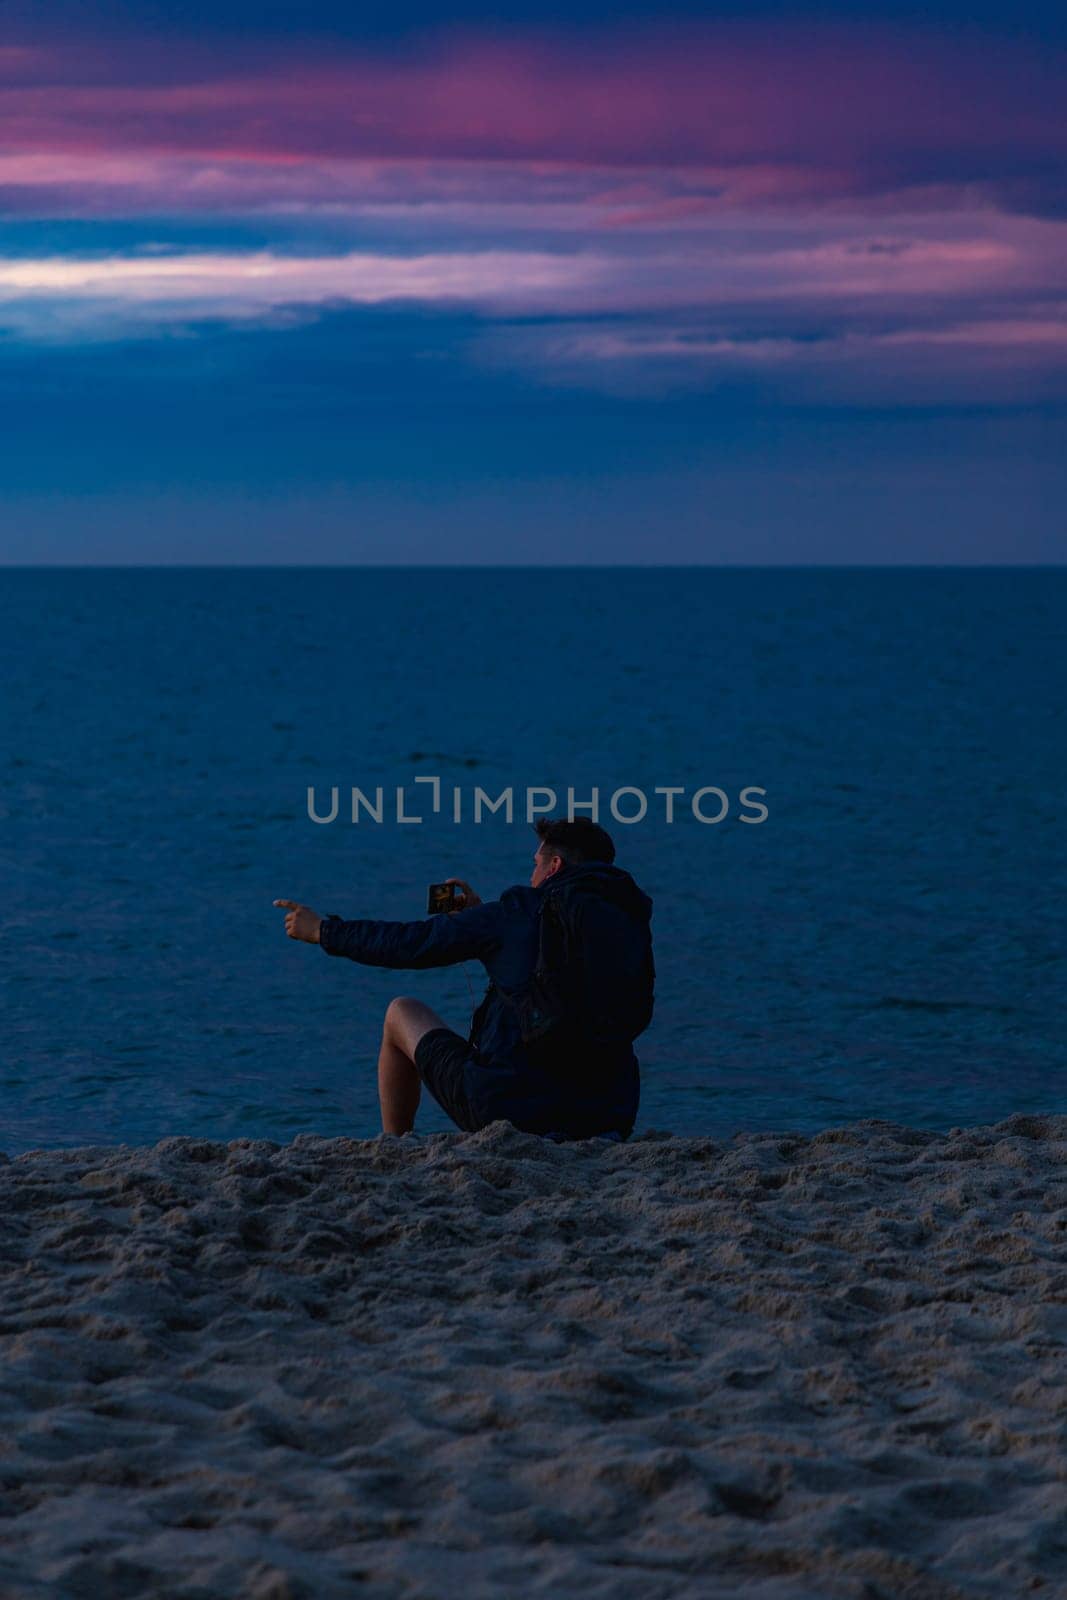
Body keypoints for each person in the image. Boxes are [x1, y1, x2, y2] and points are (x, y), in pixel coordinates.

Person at [274, 817, 653, 1141]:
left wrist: (323, 931)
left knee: (400, 1012)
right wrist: (481, 916)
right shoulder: (624, 921)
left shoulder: (517, 913)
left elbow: (411, 944)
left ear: (554, 866)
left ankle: (394, 1144)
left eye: (535, 863)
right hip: (608, 1116)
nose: (531, 874)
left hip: (513, 1113)